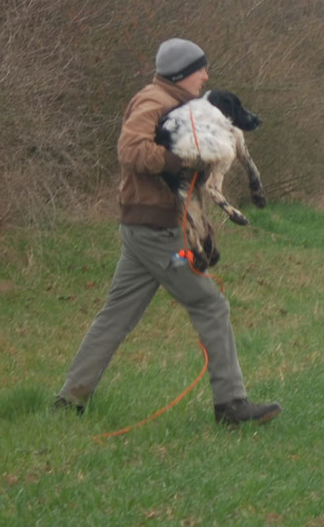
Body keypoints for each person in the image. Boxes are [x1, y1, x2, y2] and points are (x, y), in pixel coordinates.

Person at [52, 37, 281, 428]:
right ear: (180, 73)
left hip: (142, 227)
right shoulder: (153, 102)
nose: (206, 75)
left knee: (115, 317)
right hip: (158, 230)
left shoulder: (178, 104)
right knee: (211, 305)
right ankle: (231, 404)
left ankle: (69, 401)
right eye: (200, 69)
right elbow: (131, 150)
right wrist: (183, 159)